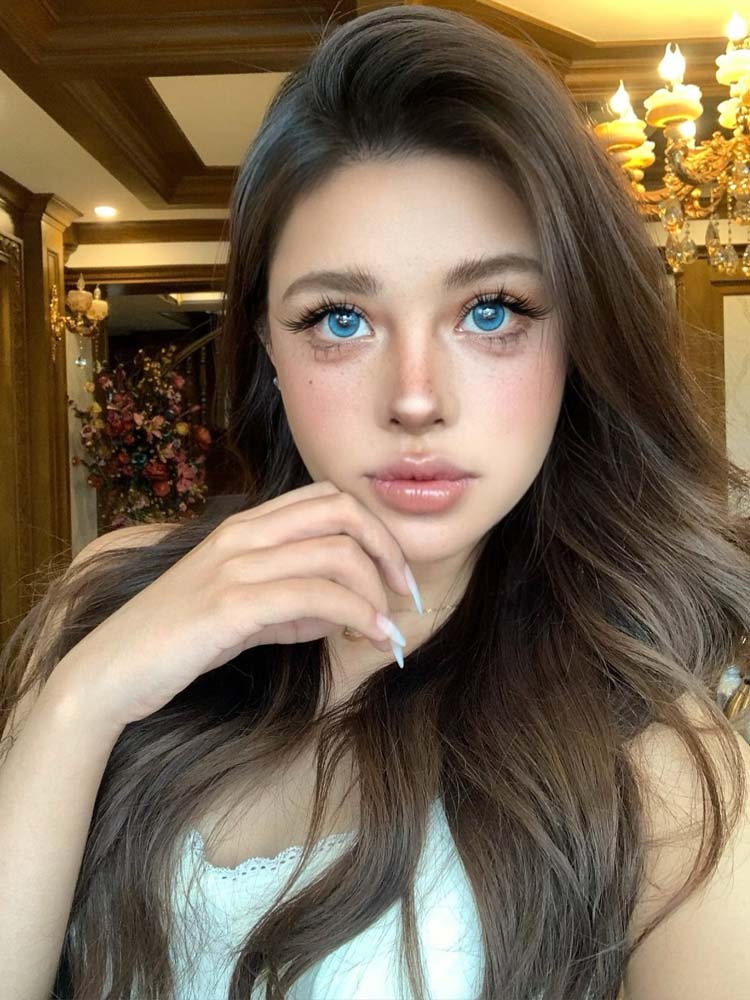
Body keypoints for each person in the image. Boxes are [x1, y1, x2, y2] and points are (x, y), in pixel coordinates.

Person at [2, 5, 750, 999]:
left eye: (492, 310)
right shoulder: (114, 596)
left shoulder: (664, 764)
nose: (416, 399)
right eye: (340, 319)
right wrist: (82, 701)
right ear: (269, 348)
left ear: (579, 339)